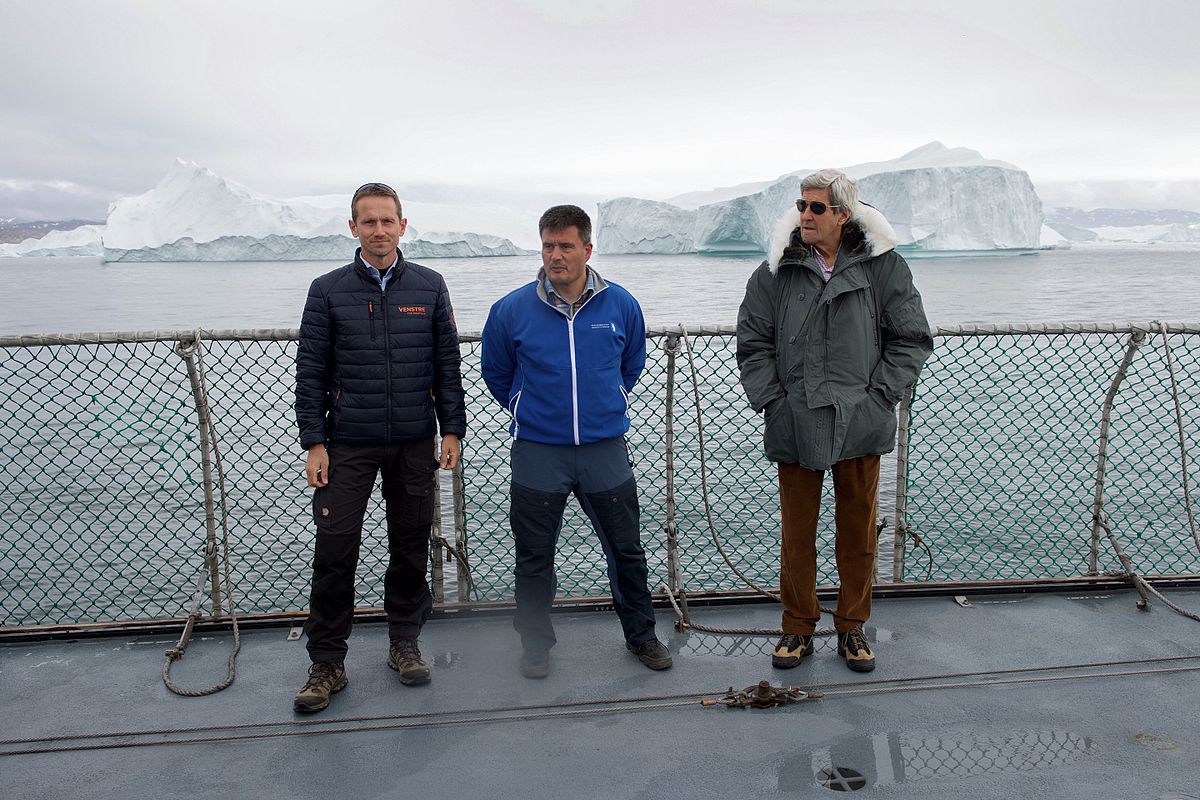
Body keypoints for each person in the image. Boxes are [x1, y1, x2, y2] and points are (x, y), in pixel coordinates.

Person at [736, 169, 933, 673]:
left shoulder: (883, 268)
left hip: (858, 420)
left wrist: (879, 397)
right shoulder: (775, 271)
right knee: (796, 533)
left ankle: (851, 628)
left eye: (817, 208)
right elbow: (753, 341)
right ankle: (797, 628)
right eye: (802, 205)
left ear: (843, 215)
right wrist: (773, 401)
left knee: (857, 532)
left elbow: (910, 339)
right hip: (796, 416)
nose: (805, 215)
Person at [292, 182, 466, 713]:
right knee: (335, 550)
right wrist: (314, 442)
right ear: (353, 228)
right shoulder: (327, 290)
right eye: (368, 222)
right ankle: (327, 662)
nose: (379, 231)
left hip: (414, 440)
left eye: (387, 221)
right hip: (347, 445)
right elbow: (311, 372)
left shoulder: (430, 286)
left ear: (403, 225)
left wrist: (451, 429)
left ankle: (403, 643)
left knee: (411, 546)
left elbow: (447, 366)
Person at [480, 204, 670, 678]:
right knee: (535, 556)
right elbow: (496, 373)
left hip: (604, 449)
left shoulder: (621, 304)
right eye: (548, 246)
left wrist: (609, 401)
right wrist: (529, 410)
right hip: (538, 451)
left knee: (626, 548)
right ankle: (536, 644)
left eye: (566, 246)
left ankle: (641, 636)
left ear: (587, 249)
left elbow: (631, 362)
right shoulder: (510, 310)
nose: (556, 256)